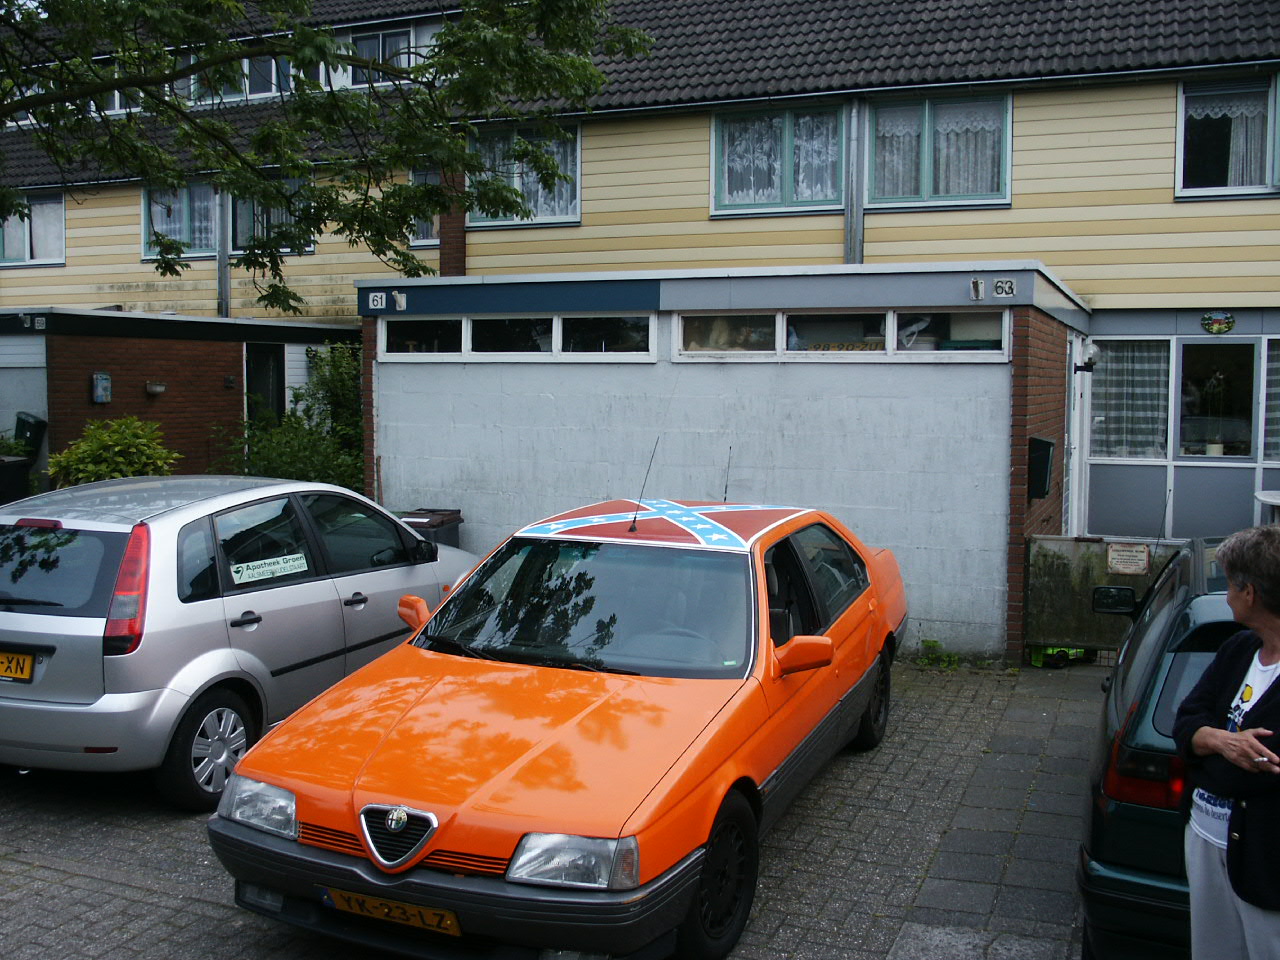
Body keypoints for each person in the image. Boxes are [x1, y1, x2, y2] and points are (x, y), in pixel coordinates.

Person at [1174, 525, 1280, 960]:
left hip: (1265, 861)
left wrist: (1202, 751)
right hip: (1204, 837)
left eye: (1230, 584)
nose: (1227, 595)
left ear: (1250, 593)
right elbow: (1186, 718)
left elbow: (1260, 774)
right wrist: (1221, 742)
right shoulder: (1238, 648)